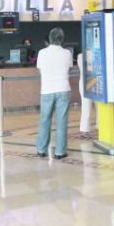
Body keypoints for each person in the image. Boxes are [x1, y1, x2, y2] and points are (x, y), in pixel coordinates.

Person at [35, 28, 73, 159]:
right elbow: (68, 71)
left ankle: (41, 149)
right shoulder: (67, 53)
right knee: (62, 121)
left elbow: (40, 70)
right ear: (62, 39)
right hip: (63, 89)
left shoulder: (41, 53)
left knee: (45, 120)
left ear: (50, 39)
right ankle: (60, 152)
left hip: (47, 90)